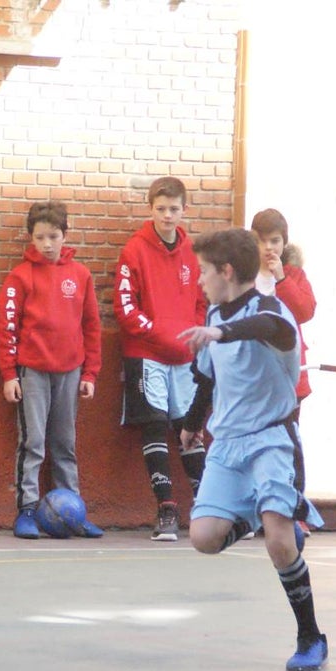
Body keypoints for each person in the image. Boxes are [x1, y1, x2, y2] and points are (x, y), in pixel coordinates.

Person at [177, 227, 327, 671]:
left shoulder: (268, 308)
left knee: (280, 541)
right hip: (228, 444)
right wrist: (190, 428)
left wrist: (222, 333)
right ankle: (263, 514)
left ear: (226, 271)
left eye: (204, 271)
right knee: (204, 539)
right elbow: (207, 379)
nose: (199, 280)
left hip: (271, 439)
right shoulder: (213, 316)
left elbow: (274, 330)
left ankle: (310, 637)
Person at [0, 201, 104, 539]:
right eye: (40, 237)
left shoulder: (81, 276)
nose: (47, 244)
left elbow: (92, 326)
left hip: (70, 371)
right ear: (30, 237)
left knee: (64, 443)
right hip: (32, 372)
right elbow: (7, 328)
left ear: (65, 236)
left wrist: (90, 374)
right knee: (33, 442)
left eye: (53, 236)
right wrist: (9, 374)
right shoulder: (19, 277)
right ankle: (27, 510)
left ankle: (73, 509)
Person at [113, 176, 208, 541]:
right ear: (150, 208)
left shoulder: (192, 253)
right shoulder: (134, 250)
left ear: (185, 210)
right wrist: (156, 332)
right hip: (146, 354)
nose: (168, 216)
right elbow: (124, 306)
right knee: (154, 425)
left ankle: (206, 505)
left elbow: (202, 302)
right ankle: (166, 508)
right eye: (161, 209)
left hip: (184, 357)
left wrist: (193, 334)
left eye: (174, 209)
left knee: (190, 427)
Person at [250, 208, 320, 536]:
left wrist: (281, 279)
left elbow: (304, 311)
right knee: (255, 447)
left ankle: (294, 512)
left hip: (289, 380)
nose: (269, 248)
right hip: (254, 379)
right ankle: (257, 513)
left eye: (275, 241)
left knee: (289, 445)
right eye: (262, 241)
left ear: (284, 242)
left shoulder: (293, 276)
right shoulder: (244, 276)